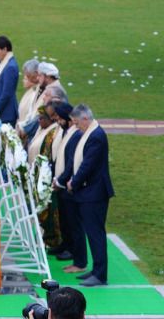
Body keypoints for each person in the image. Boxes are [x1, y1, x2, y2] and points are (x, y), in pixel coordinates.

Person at [66, 104, 113, 286]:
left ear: (85, 119)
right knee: (92, 233)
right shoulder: (90, 133)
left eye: (77, 123)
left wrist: (74, 182)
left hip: (95, 193)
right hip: (89, 191)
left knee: (95, 233)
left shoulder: (96, 136)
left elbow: (88, 164)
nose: (77, 127)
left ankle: (100, 274)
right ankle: (96, 269)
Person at [30, 105, 63, 251]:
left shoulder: (52, 133)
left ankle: (53, 239)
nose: (39, 121)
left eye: (42, 118)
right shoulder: (44, 130)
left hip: (49, 176)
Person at [49, 101, 79, 262]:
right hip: (60, 180)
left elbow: (70, 162)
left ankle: (72, 248)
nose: (58, 122)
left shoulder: (74, 134)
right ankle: (65, 243)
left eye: (60, 119)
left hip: (67, 183)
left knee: (70, 219)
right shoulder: (65, 131)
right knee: (63, 217)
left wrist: (61, 180)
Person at [0, 35, 20, 125]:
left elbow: (6, 94)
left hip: (6, 114)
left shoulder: (10, 67)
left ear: (5, 49)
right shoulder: (5, 63)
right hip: (3, 112)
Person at [17, 59, 45, 130]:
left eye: (29, 76)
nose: (28, 79)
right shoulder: (35, 89)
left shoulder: (38, 91)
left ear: (36, 73)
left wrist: (25, 128)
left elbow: (37, 113)